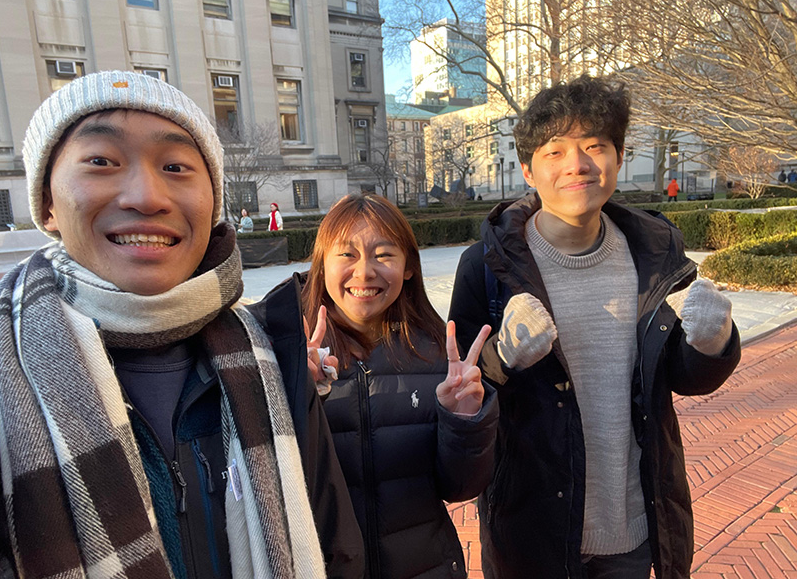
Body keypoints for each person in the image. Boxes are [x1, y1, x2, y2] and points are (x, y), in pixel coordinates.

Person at [0, 70, 363, 578]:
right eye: (101, 161)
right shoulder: (3, 375)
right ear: (46, 203)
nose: (147, 197)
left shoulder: (273, 358)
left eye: (175, 166)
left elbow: (335, 544)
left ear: (212, 203)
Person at [449, 75, 741, 579]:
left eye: (594, 146)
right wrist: (505, 357)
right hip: (532, 528)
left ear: (618, 156)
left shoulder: (657, 253)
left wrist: (713, 345)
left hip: (633, 523)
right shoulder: (487, 268)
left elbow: (680, 375)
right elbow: (462, 394)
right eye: (555, 151)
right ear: (527, 169)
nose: (577, 165)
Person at [301, 193, 498, 579]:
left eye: (384, 254)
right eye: (346, 254)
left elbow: (459, 486)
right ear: (321, 265)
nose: (365, 272)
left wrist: (463, 420)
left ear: (408, 267)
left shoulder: (435, 354)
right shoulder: (285, 350)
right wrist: (294, 396)